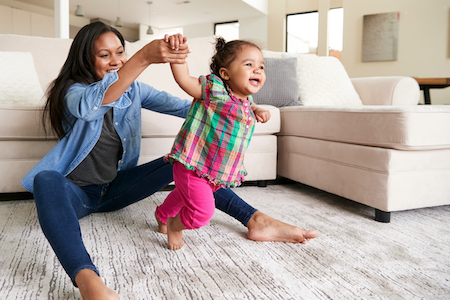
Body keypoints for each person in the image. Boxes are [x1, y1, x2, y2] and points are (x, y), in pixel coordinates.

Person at [21, 21, 317, 300]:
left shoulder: (134, 90)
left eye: (120, 52)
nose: (116, 60)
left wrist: (238, 106)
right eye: (104, 54)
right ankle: (88, 281)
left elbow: (186, 106)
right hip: (76, 194)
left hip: (115, 189)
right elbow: (91, 106)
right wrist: (144, 58)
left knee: (182, 161)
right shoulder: (73, 92)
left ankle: (256, 220)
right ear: (86, 60)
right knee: (45, 178)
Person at [155, 37, 271, 250]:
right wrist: (177, 54)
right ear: (225, 74)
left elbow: (251, 105)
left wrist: (258, 110)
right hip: (194, 164)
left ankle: (163, 214)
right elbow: (184, 79)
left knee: (183, 195)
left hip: (217, 171)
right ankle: (174, 223)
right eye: (249, 64)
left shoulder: (246, 101)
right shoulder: (215, 90)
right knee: (201, 213)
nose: (257, 70)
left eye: (261, 66)